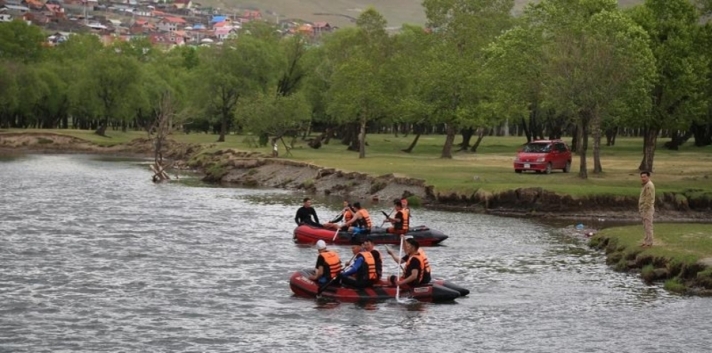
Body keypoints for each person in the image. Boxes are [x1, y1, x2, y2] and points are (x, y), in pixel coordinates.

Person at [639, 171, 656, 247]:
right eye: (642, 177)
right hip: (644, 208)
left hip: (647, 209)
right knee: (645, 225)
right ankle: (646, 240)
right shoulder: (645, 185)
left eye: (644, 177)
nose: (643, 178)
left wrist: (645, 209)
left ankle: (649, 242)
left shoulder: (649, 185)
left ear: (648, 177)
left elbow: (649, 199)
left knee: (648, 225)